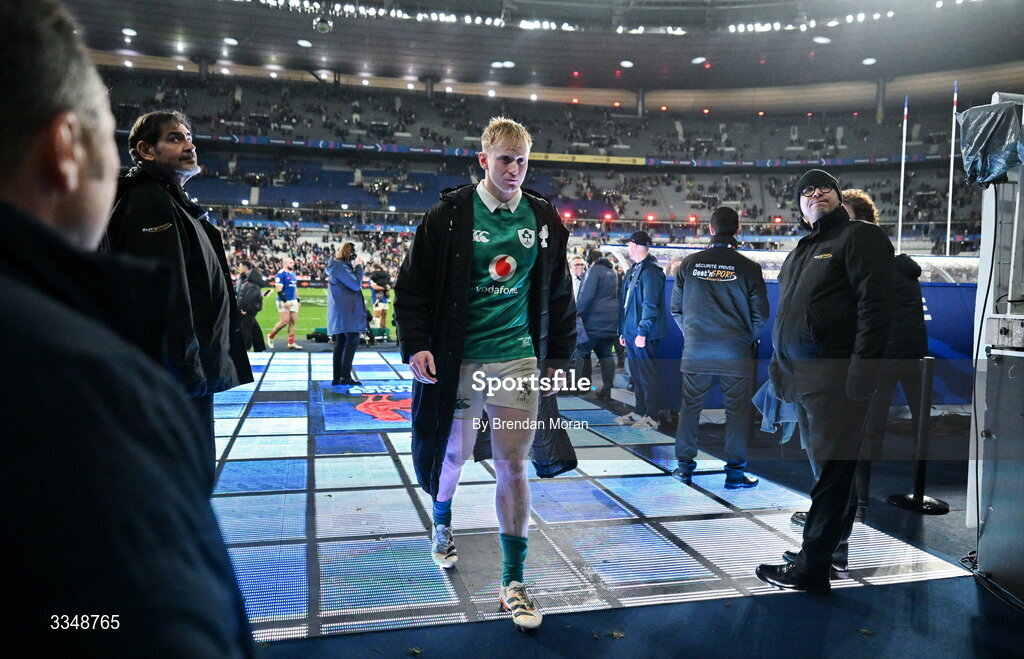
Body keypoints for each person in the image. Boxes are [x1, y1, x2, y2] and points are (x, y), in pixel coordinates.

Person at [1, 1, 253, 652]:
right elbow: (156, 617)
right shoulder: (85, 384)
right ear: (66, 150)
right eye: (103, 139)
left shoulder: (176, 206)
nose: (187, 146)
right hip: (174, 377)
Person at [395, 116, 576, 631]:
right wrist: (416, 345)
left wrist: (559, 358)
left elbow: (558, 293)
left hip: (515, 356)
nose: (515, 170)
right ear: (483, 160)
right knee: (451, 453)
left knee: (512, 464)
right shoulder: (449, 215)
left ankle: (514, 581)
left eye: (522, 160)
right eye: (504, 160)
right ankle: (442, 520)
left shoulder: (543, 216)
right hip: (458, 360)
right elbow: (412, 288)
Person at [756, 169, 893, 595]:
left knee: (832, 473)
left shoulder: (858, 237)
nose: (816, 193)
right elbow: (787, 317)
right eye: (806, 191)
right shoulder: (801, 251)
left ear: (837, 197)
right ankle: (824, 551)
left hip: (836, 378)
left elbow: (875, 306)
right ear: (798, 206)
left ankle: (812, 567)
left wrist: (862, 371)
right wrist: (779, 366)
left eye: (824, 188)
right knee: (826, 473)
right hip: (804, 380)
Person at [106, 110, 253, 465]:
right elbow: (162, 297)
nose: (189, 144)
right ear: (146, 150)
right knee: (185, 475)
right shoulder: (149, 200)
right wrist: (185, 371)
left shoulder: (169, 200)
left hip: (183, 372)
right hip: (176, 378)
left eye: (188, 137)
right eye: (175, 138)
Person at [844, 189, 928, 522]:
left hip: (885, 354)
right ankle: (906, 480)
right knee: (914, 420)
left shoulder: (870, 259)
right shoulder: (900, 265)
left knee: (870, 424)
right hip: (913, 353)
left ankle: (861, 502)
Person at [670, 207, 769, 488]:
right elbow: (761, 314)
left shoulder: (688, 264)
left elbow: (676, 309)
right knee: (737, 414)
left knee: (689, 410)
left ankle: (684, 469)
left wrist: (693, 335)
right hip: (735, 353)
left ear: (710, 229)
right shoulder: (750, 267)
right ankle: (735, 475)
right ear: (738, 230)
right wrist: (742, 338)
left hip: (696, 350)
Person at [615, 231, 668, 430]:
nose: (628, 248)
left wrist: (642, 332)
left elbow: (650, 305)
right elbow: (627, 304)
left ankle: (652, 416)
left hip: (642, 334)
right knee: (636, 376)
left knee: (647, 376)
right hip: (631, 332)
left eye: (629, 245)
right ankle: (639, 411)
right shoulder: (635, 270)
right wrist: (624, 331)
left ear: (635, 245)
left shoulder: (651, 271)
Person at [575, 249, 620, 401]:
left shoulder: (594, 271)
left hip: (594, 321)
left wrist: (576, 312)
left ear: (590, 260)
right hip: (611, 320)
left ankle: (574, 386)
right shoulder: (612, 271)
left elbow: (586, 296)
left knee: (580, 351)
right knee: (606, 354)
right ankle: (608, 389)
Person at [327, 243, 369, 386]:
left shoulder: (338, 266)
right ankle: (344, 377)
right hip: (345, 312)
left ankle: (337, 377)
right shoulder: (340, 267)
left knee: (341, 343)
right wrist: (358, 267)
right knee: (353, 340)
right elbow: (356, 284)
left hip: (342, 311)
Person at [267, 256, 303, 349]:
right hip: (283, 301)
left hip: (293, 300)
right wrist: (285, 301)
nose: (293, 264)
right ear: (286, 264)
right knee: (284, 321)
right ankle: (270, 336)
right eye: (291, 263)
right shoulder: (280, 274)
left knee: (292, 321)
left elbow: (295, 288)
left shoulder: (293, 274)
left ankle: (291, 343)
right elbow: (278, 290)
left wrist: (298, 300)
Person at [236, 260, 267, 352]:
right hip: (247, 308)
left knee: (246, 329)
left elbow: (247, 296)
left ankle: (247, 348)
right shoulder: (244, 279)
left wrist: (242, 308)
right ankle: (259, 348)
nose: (239, 268)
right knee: (254, 328)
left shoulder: (248, 282)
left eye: (240, 266)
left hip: (246, 308)